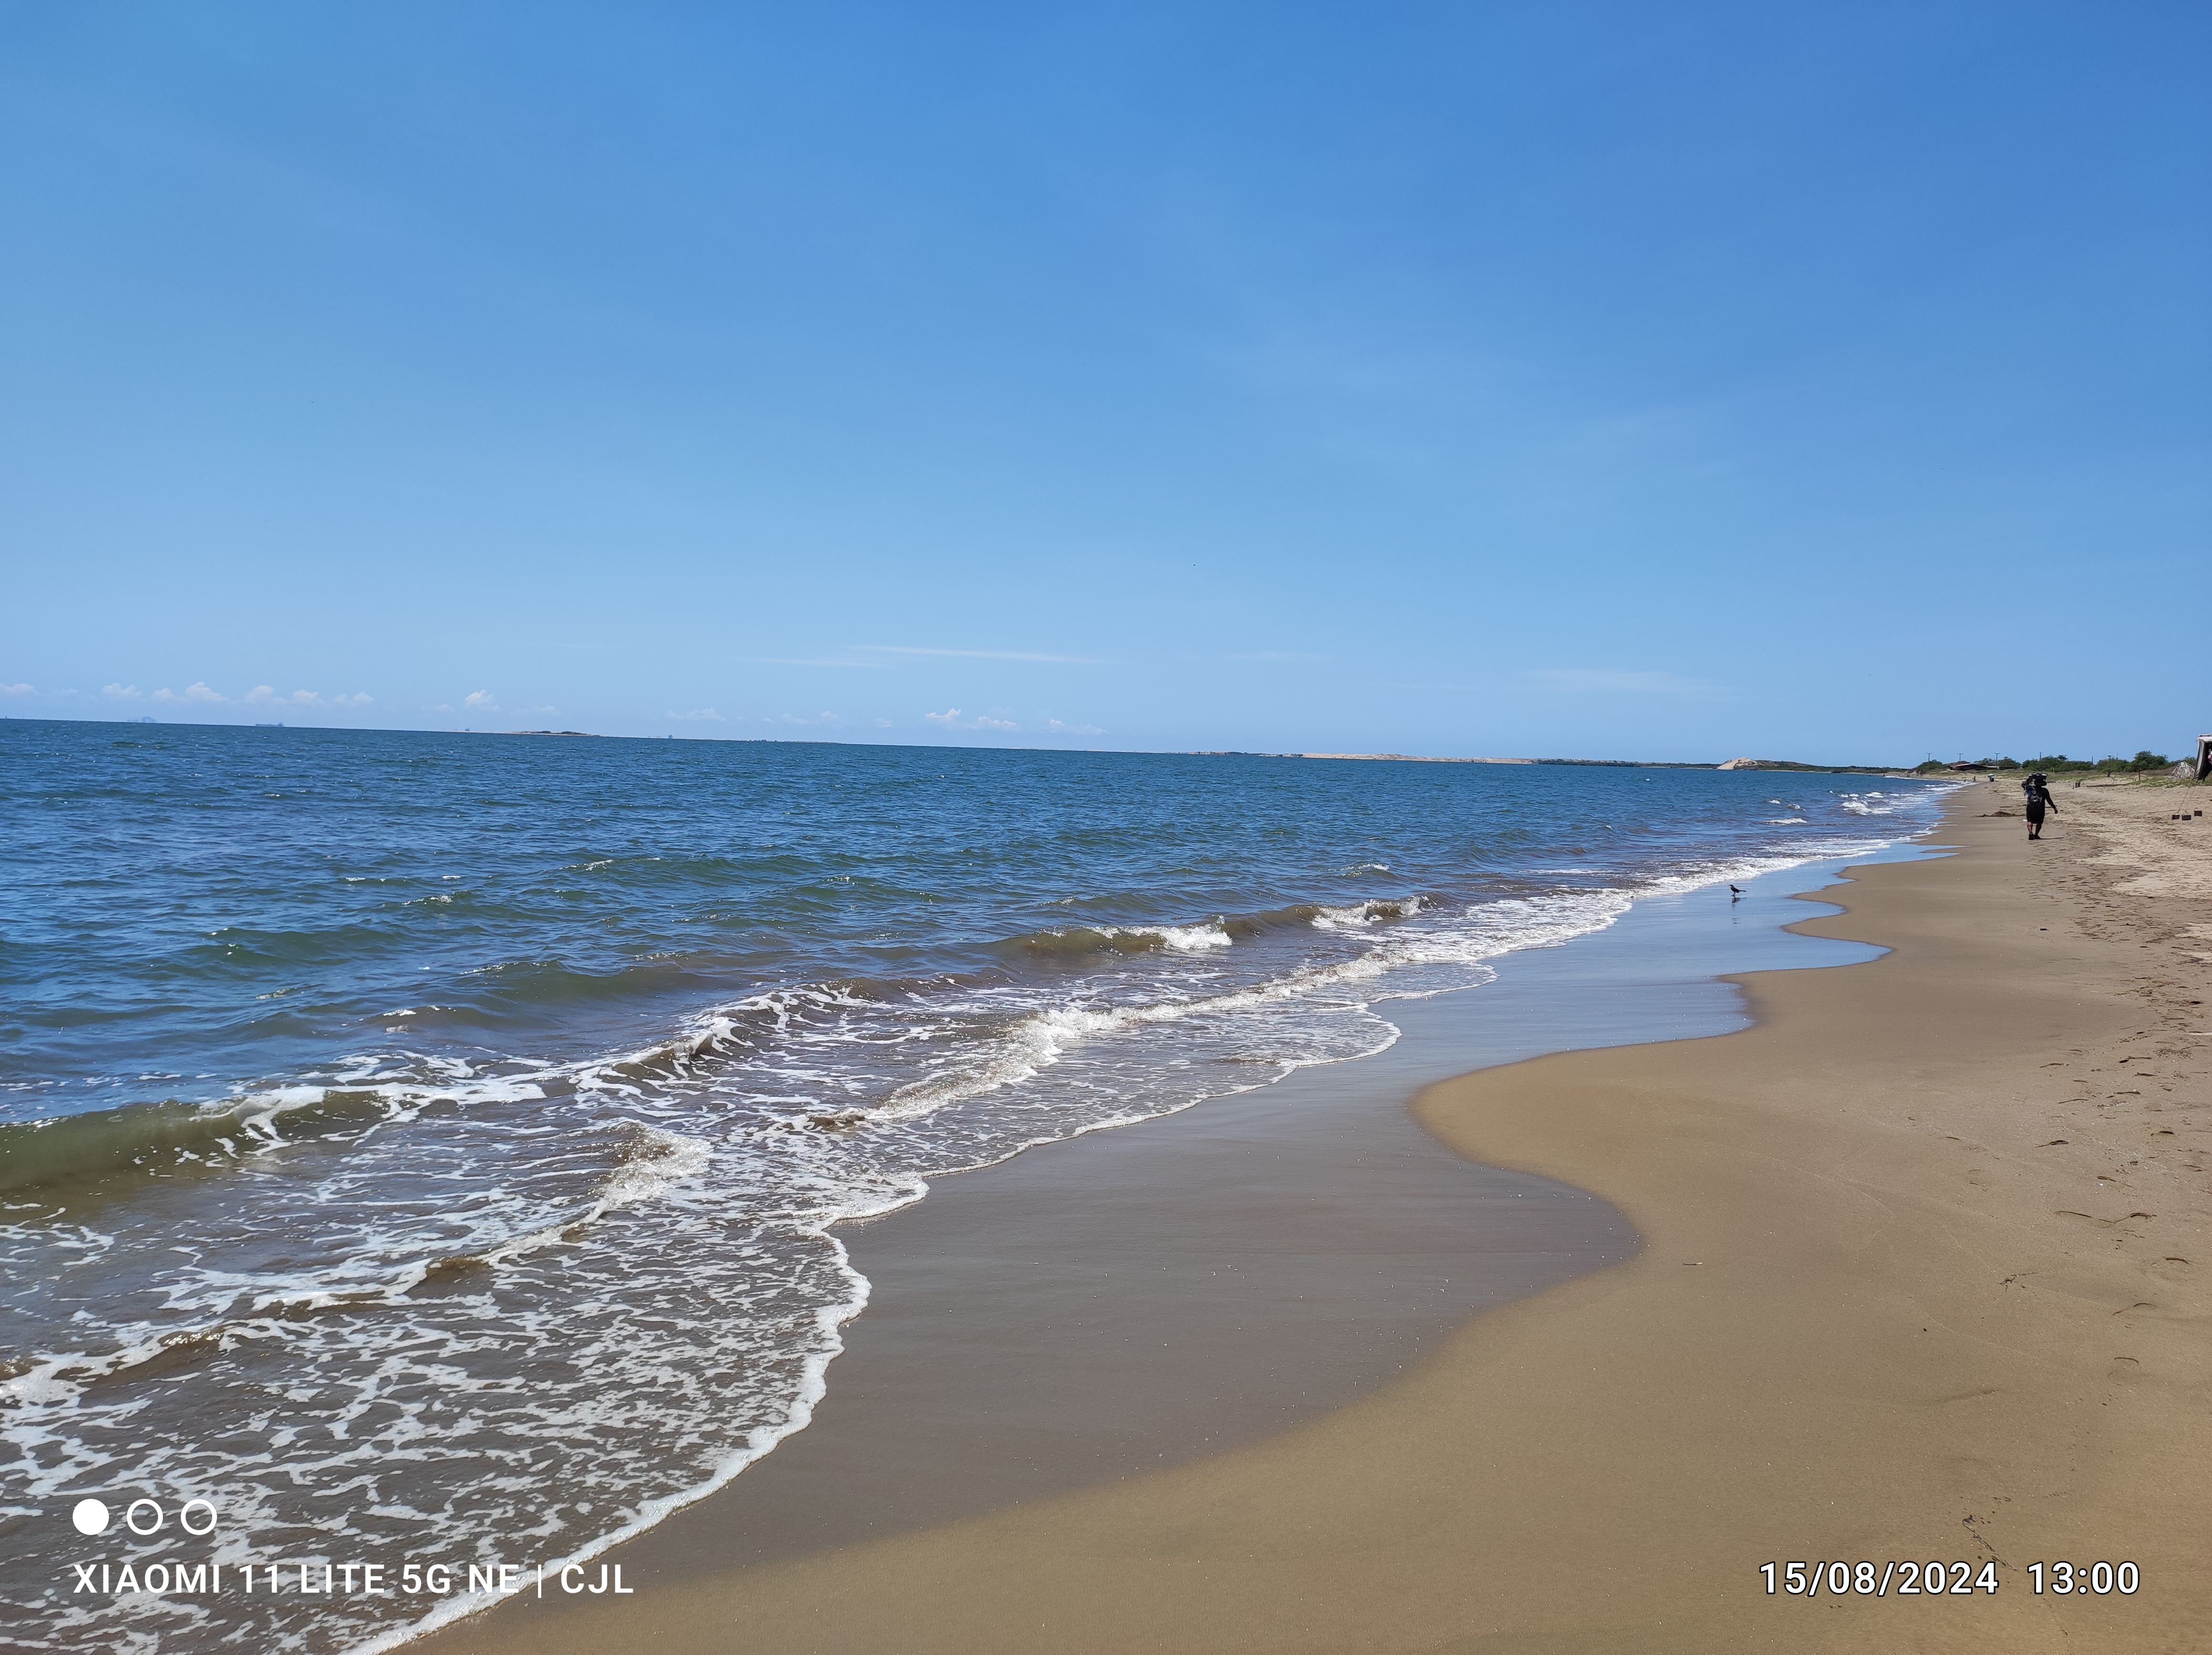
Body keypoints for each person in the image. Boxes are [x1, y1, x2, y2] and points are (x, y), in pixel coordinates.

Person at [2021, 771, 2057, 840]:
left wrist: (2029, 778)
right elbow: (2049, 800)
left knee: (2030, 821)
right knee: (2039, 822)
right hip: (2040, 807)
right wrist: (2054, 808)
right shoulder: (2044, 791)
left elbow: (2023, 784)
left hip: (2030, 807)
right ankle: (2036, 835)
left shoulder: (2031, 788)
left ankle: (2031, 832)